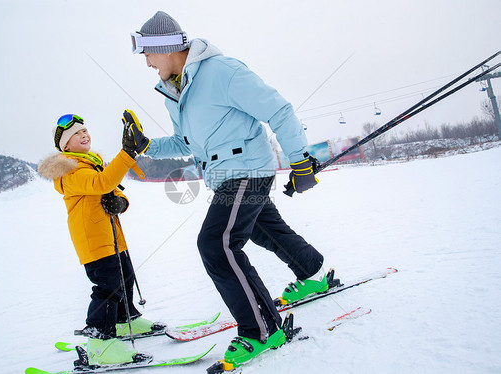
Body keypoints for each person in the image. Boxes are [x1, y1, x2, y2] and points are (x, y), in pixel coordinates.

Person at [126, 11, 329, 367]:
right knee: (264, 231)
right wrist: (145, 145)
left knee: (217, 244)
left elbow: (278, 110)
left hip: (246, 169)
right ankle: (310, 268)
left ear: (166, 47)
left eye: (148, 52)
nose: (146, 62)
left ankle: (261, 330)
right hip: (224, 177)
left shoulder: (222, 71)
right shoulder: (175, 91)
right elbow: (182, 142)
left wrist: (300, 160)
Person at [37, 114, 156, 366]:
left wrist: (121, 202)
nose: (84, 135)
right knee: (107, 286)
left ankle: (124, 321)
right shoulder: (70, 169)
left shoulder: (91, 163)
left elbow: (110, 189)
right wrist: (127, 152)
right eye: (76, 134)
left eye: (85, 131)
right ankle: (100, 343)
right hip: (93, 240)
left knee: (124, 277)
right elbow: (104, 182)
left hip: (111, 236)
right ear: (65, 146)